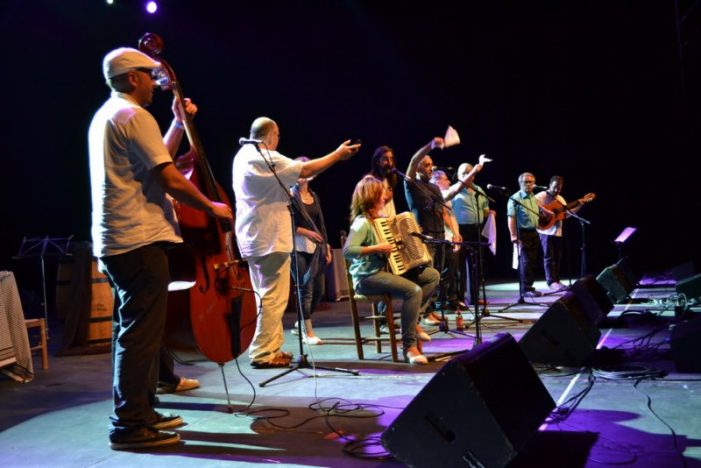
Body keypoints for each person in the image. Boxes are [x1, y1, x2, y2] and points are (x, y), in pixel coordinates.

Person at [89, 47, 232, 450]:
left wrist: (175, 123)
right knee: (141, 336)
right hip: (138, 239)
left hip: (118, 241)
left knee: (132, 333)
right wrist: (211, 206)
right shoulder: (134, 115)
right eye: (149, 76)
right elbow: (169, 177)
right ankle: (131, 425)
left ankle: (141, 411)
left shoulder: (110, 114)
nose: (154, 83)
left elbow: (158, 156)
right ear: (133, 78)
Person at [232, 117, 359, 369]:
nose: (279, 141)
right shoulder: (261, 156)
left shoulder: (243, 156)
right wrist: (337, 155)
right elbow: (305, 170)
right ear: (271, 135)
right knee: (273, 297)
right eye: (278, 135)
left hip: (257, 237)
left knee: (267, 296)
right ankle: (263, 352)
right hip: (267, 238)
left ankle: (270, 348)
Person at [343, 176, 440, 365]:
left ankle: (414, 321)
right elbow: (348, 251)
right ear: (371, 197)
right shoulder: (362, 223)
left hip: (384, 271)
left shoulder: (379, 221)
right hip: (366, 277)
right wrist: (378, 248)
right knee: (413, 291)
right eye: (381, 194)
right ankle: (409, 348)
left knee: (432, 276)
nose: (385, 197)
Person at [404, 137, 463, 324]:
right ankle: (423, 312)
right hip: (424, 237)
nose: (431, 168)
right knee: (428, 275)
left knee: (437, 274)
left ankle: (430, 309)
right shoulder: (412, 184)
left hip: (439, 237)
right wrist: (430, 146)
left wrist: (454, 232)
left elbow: (444, 210)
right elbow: (413, 160)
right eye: (427, 165)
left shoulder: (434, 188)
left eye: (432, 165)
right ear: (420, 167)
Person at [290, 156, 332, 345]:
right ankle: (308, 332)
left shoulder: (314, 197)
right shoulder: (290, 196)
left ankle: (301, 322)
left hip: (315, 249)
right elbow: (286, 224)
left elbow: (321, 224)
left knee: (319, 290)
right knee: (304, 289)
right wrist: (305, 232)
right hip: (296, 247)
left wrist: (327, 247)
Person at [443, 162, 491, 307]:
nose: (466, 175)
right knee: (460, 268)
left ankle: (475, 297)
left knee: (476, 265)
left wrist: (489, 213)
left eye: (470, 172)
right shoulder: (452, 191)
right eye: (463, 173)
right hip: (460, 232)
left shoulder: (479, 190)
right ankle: (460, 298)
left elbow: (484, 209)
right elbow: (446, 212)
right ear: (458, 176)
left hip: (476, 230)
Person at [535, 175, 586, 291]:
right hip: (545, 230)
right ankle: (551, 282)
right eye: (555, 188)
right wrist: (545, 210)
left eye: (559, 188)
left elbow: (567, 215)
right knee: (549, 257)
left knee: (557, 258)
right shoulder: (542, 195)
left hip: (558, 232)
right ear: (550, 185)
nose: (557, 190)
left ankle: (556, 280)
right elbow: (532, 205)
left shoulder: (561, 199)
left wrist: (580, 206)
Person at [507, 172, 542, 297]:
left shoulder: (533, 196)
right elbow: (511, 218)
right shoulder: (515, 198)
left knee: (532, 262)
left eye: (530, 182)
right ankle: (525, 289)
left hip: (534, 232)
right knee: (525, 262)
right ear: (520, 183)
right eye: (525, 182)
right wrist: (513, 235)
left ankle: (529, 287)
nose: (528, 184)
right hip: (522, 233)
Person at [368, 145, 399, 217]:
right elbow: (369, 207)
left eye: (391, 159)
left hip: (391, 222)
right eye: (385, 159)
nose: (389, 163)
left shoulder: (389, 179)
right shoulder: (370, 181)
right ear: (377, 161)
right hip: (380, 223)